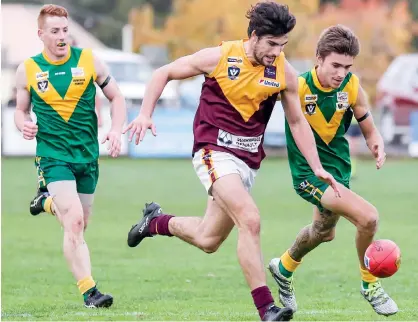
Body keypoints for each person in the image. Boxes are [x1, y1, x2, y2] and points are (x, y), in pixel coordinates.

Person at [124, 2, 340, 321]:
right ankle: (266, 308)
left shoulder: (283, 72)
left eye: (283, 45)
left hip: (246, 163)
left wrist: (317, 165)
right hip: (212, 152)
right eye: (271, 44)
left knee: (208, 238)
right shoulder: (221, 57)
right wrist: (144, 113)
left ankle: (154, 221)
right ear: (253, 36)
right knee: (250, 219)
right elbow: (164, 72)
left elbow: (296, 122)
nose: (277, 51)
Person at [268, 25, 398, 317]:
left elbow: (368, 125)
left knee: (323, 232)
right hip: (308, 175)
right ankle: (370, 284)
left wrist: (376, 142)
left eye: (347, 66)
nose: (341, 73)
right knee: (368, 218)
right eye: (335, 65)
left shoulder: (351, 86)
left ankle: (283, 268)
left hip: (338, 172)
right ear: (318, 59)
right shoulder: (298, 87)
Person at [14, 4, 126, 308]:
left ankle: (45, 202)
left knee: (79, 223)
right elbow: (20, 109)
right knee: (74, 222)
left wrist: (116, 130)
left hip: (87, 156)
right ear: (41, 34)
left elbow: (116, 97)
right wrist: (23, 125)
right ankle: (90, 291)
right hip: (53, 156)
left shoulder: (90, 61)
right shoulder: (29, 68)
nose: (62, 36)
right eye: (55, 31)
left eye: (65, 30)